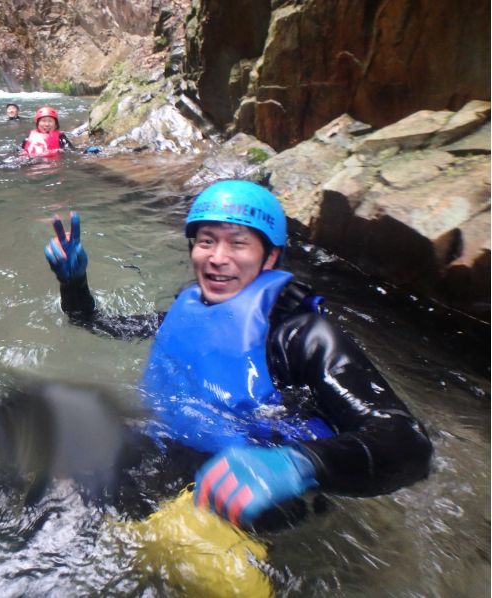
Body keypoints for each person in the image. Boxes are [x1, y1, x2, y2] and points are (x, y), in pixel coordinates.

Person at [42, 179, 433, 531]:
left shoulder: (302, 337)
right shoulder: (185, 315)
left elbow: (407, 441)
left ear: (270, 258)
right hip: (167, 453)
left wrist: (301, 462)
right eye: (206, 241)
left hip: (251, 493)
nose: (217, 256)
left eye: (238, 242)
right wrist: (73, 284)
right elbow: (96, 324)